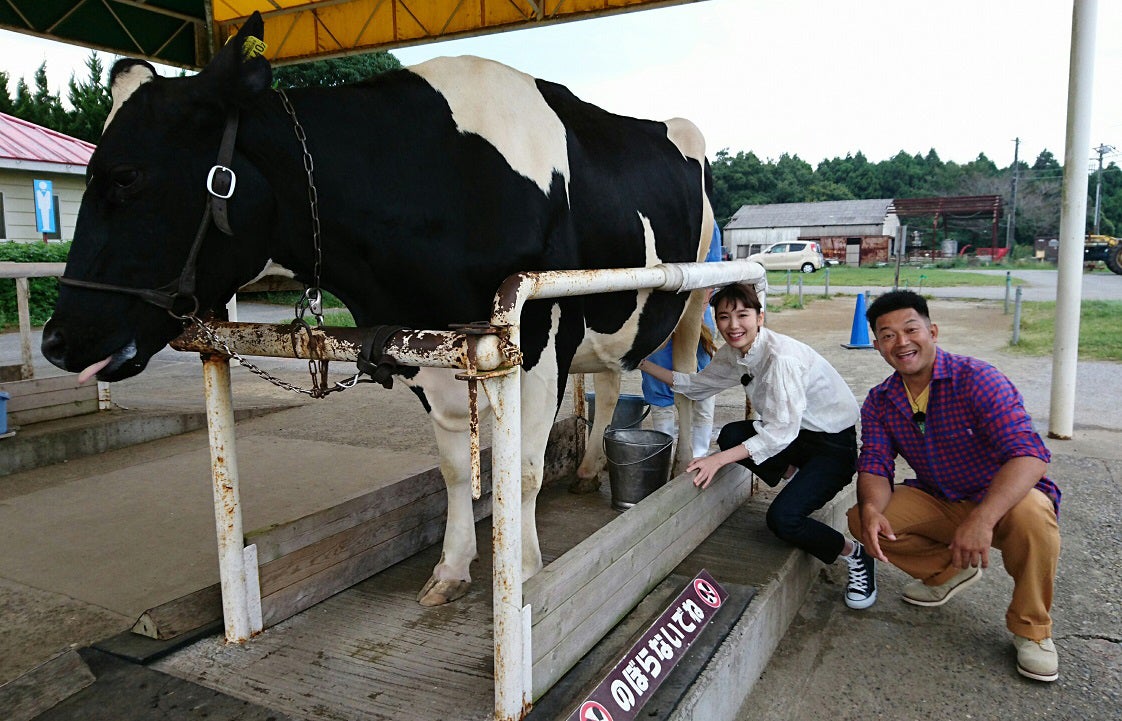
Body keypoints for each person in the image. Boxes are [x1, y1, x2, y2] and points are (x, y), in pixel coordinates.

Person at [849, 290, 1061, 682]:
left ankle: (1031, 630)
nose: (902, 342)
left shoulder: (977, 379)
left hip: (1002, 500)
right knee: (865, 520)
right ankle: (947, 572)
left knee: (1035, 513)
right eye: (888, 335)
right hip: (941, 497)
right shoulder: (880, 400)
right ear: (877, 346)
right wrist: (874, 508)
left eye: (911, 329)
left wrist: (983, 519)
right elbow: (875, 463)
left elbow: (1030, 455)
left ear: (932, 331)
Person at [638, 282, 876, 610]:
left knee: (783, 520)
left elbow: (779, 434)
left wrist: (716, 460)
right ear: (716, 321)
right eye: (723, 317)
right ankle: (793, 473)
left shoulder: (782, 360)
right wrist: (642, 363)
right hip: (797, 436)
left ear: (760, 317)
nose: (733, 325)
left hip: (832, 447)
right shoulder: (735, 353)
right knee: (733, 434)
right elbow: (699, 386)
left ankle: (854, 553)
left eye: (742, 315)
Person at [641, 226, 724, 460]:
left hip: (696, 304)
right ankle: (664, 452)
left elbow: (713, 265)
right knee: (656, 371)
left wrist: (702, 303)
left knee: (703, 373)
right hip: (655, 305)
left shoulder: (706, 220)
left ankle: (698, 452)